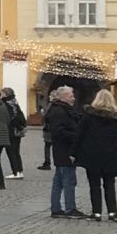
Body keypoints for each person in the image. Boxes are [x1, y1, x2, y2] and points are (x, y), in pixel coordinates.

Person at [74, 88, 117, 221]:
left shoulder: (89, 115)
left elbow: (80, 134)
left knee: (94, 184)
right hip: (111, 154)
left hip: (92, 153)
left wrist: (73, 152)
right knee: (109, 183)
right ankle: (112, 212)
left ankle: (96, 212)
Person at [43, 85, 84, 218]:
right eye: (70, 95)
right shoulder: (60, 111)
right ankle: (70, 208)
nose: (73, 97)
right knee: (68, 181)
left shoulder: (63, 110)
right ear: (62, 97)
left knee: (59, 180)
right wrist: (76, 136)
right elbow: (59, 132)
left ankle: (56, 208)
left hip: (61, 150)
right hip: (64, 150)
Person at [2, 87, 28, 178]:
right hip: (17, 131)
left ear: (5, 94)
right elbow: (21, 116)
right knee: (16, 152)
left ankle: (15, 172)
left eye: (2, 93)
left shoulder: (6, 104)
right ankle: (20, 171)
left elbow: (10, 118)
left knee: (11, 152)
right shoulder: (15, 102)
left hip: (11, 130)